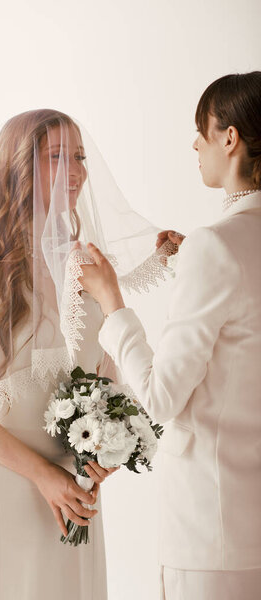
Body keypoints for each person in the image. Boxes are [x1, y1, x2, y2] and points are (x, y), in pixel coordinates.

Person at [0, 109, 176, 599]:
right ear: (18, 167)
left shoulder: (88, 267)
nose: (75, 172)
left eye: (79, 157)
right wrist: (43, 476)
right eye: (58, 157)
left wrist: (105, 453)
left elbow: (107, 384)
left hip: (71, 494)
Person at [79, 72, 261, 599]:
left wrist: (113, 302)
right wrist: (196, 261)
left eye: (201, 130)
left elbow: (161, 398)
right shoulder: (220, 250)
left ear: (230, 138)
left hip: (212, 532)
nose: (195, 144)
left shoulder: (217, 247)